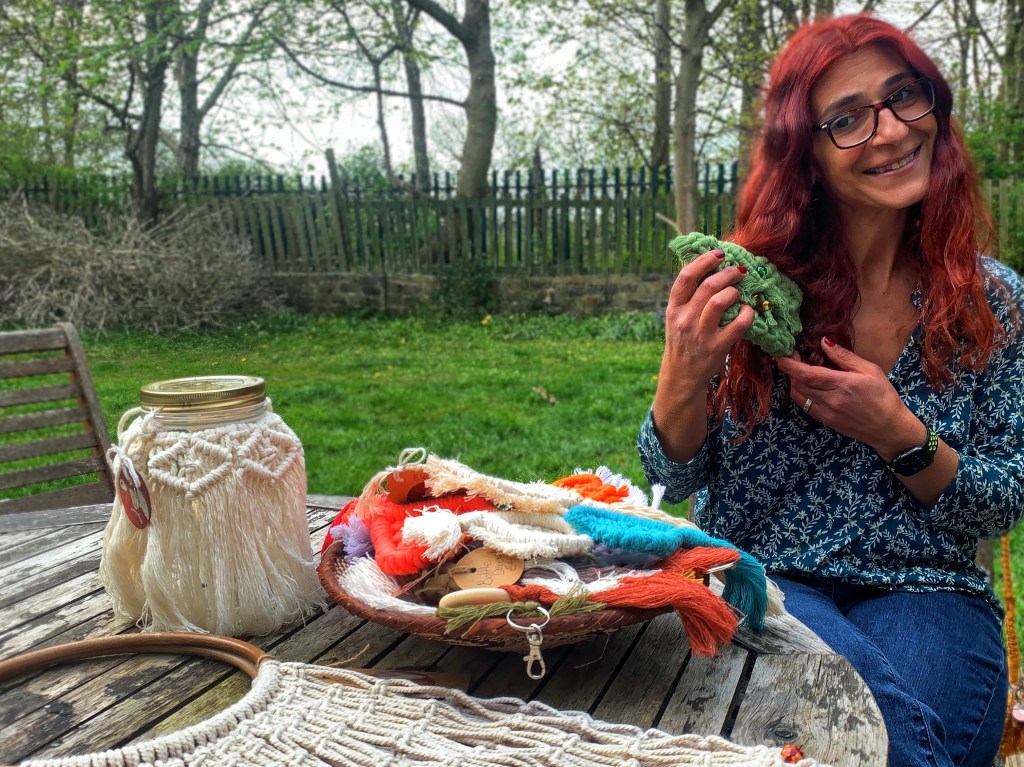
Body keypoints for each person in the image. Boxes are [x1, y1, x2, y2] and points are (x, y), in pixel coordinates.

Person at [637, 13, 1024, 767]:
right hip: (765, 580)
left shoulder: (995, 303)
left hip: (929, 591)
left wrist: (900, 434)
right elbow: (672, 472)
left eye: (902, 97)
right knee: (902, 751)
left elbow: (1004, 500)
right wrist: (681, 371)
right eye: (847, 118)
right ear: (804, 153)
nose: (888, 131)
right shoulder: (748, 289)